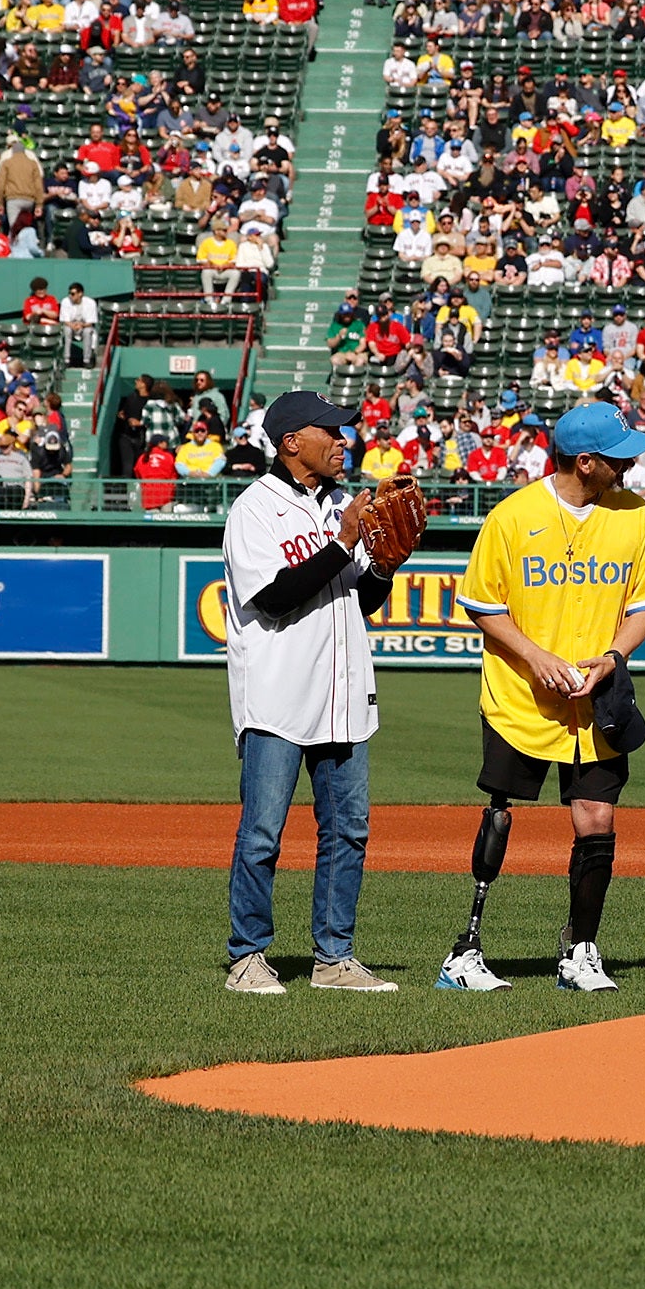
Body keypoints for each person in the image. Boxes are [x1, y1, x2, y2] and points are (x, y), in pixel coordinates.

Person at [449, 401, 645, 993]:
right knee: (501, 809)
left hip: (597, 698)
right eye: (619, 456)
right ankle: (465, 951)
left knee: (596, 818)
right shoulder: (513, 516)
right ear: (587, 462)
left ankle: (581, 951)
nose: (631, 464)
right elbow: (482, 605)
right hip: (523, 695)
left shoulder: (636, 517)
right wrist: (537, 658)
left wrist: (614, 659)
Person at [217, 392, 407, 995]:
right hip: (277, 697)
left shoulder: (335, 508)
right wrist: (345, 538)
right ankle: (248, 956)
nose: (345, 440)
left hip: (344, 697)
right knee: (263, 833)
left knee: (348, 830)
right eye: (333, 431)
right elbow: (274, 598)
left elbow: (359, 599)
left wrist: (386, 563)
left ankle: (334, 959)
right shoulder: (254, 509)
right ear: (293, 441)